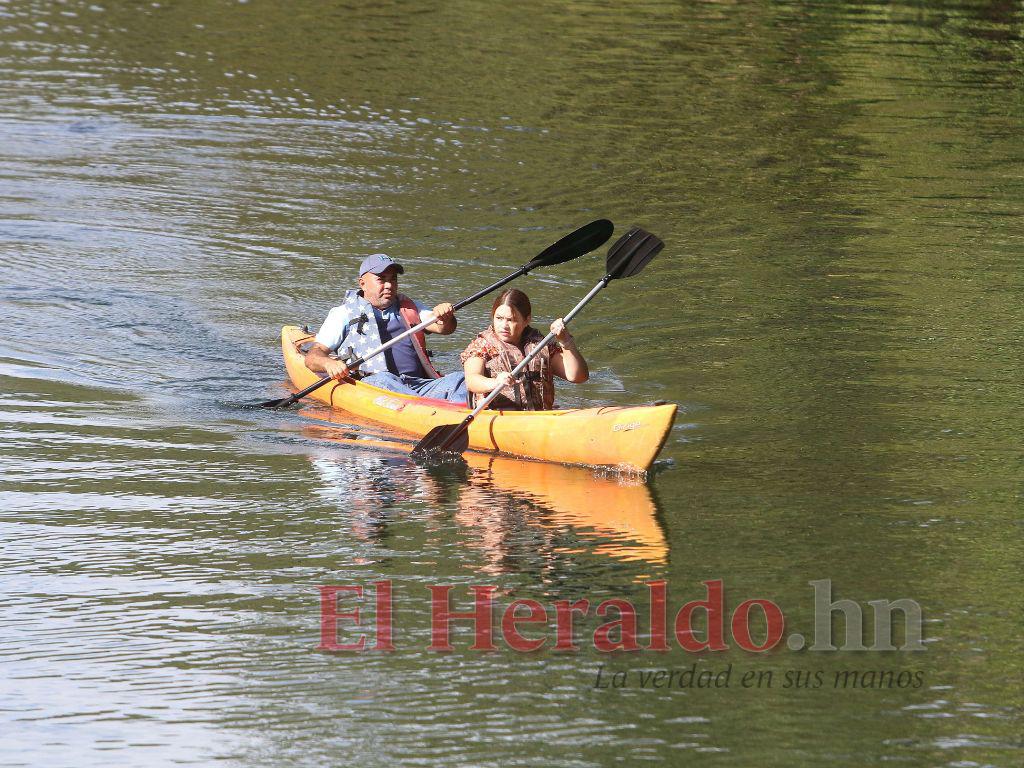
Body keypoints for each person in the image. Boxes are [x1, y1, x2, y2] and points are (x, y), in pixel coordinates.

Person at [304, 253, 468, 402]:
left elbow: (444, 328)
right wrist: (328, 364)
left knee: (460, 379)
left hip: (420, 385)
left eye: (393, 279)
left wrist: (446, 316)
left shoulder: (411, 308)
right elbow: (312, 357)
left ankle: (465, 415)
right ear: (363, 283)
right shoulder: (343, 314)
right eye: (382, 279)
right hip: (373, 385)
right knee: (384, 379)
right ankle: (423, 411)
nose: (389, 285)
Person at [460, 288, 588, 410]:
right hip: (497, 415)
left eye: (511, 320)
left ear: (527, 320)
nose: (503, 325)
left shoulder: (540, 345)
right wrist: (495, 382)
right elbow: (472, 380)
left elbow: (577, 376)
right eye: (499, 318)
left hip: (537, 417)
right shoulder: (482, 345)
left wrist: (565, 340)